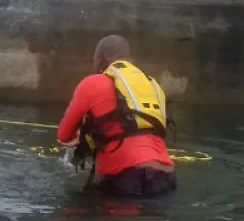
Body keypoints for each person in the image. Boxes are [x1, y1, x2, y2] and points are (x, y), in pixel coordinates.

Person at [57, 35, 176, 196]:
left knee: (75, 209)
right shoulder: (152, 85)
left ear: (100, 58)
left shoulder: (92, 83)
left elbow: (63, 135)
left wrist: (83, 136)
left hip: (125, 175)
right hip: (165, 174)